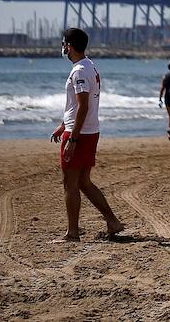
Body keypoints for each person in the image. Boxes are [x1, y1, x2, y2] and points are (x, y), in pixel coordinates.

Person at [52, 28, 125, 241]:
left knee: (71, 183)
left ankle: (72, 233)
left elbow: (83, 106)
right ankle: (112, 221)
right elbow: (78, 106)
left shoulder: (79, 71)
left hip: (80, 133)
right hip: (88, 130)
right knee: (84, 182)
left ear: (70, 46)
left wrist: (72, 138)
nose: (63, 47)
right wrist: (62, 125)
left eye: (64, 43)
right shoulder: (89, 65)